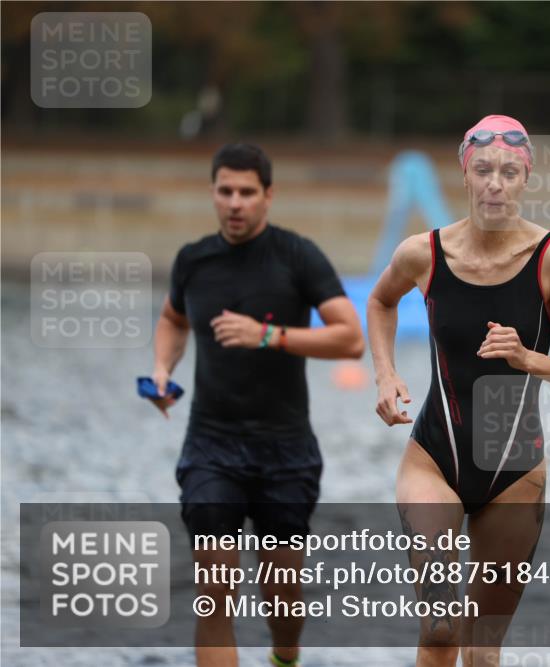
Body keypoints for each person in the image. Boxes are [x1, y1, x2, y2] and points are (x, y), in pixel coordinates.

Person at [367, 114, 550, 667]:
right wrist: (384, 373)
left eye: (508, 172)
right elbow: (380, 301)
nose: (494, 183)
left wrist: (527, 358)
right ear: (465, 175)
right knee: (440, 629)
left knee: (481, 648)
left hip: (515, 474)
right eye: (483, 170)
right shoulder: (424, 253)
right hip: (434, 460)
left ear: (526, 179)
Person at [150, 143, 365, 667]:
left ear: (268, 195)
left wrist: (268, 335)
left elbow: (351, 339)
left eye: (246, 192)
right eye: (225, 191)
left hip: (285, 449)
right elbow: (173, 320)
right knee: (214, 590)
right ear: (212, 193)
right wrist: (161, 370)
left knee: (282, 595)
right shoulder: (193, 260)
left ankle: (285, 656)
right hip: (211, 445)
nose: (235, 203)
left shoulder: (298, 256)